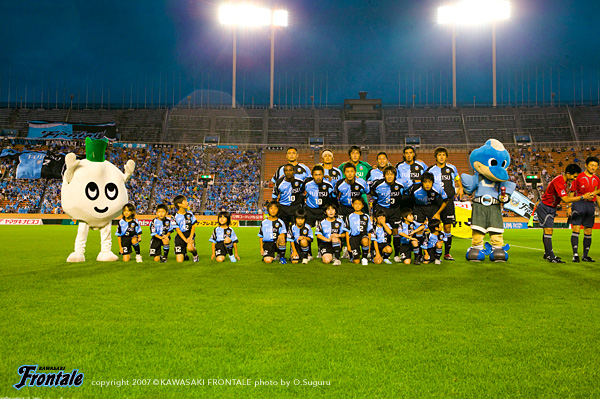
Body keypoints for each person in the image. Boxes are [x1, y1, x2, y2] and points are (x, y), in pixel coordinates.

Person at [536, 164, 591, 263]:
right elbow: (565, 199)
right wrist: (582, 197)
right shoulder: (559, 181)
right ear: (568, 174)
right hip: (545, 207)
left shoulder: (565, 181)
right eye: (574, 176)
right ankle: (551, 256)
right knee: (548, 230)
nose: (575, 179)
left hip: (550, 207)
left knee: (547, 231)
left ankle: (547, 254)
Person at [426, 147, 464, 261]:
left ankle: (447, 253)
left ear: (446, 156)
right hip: (435, 201)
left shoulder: (452, 168)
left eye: (443, 155)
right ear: (436, 157)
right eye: (439, 155)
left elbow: (457, 178)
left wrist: (460, 188)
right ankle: (431, 253)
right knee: (433, 227)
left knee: (447, 227)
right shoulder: (431, 170)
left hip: (448, 201)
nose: (441, 157)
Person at [568, 156, 600, 262]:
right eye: (591, 165)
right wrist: (569, 207)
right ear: (586, 165)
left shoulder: (597, 179)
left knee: (588, 230)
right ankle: (575, 254)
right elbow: (571, 192)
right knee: (576, 228)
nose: (593, 167)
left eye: (595, 166)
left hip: (591, 205)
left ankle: (585, 255)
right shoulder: (578, 177)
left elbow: (598, 195)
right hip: (578, 203)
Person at [272, 163, 305, 228]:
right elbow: (274, 197)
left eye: (290, 170)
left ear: (294, 171)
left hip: (295, 208)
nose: (288, 172)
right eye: (286, 170)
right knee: (283, 229)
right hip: (283, 209)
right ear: (284, 172)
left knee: (295, 229)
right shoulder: (279, 183)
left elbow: (302, 192)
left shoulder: (300, 182)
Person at [346, 197, 373, 265]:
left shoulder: (366, 216)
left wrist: (369, 245)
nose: (357, 206)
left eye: (359, 204)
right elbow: (347, 231)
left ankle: (364, 258)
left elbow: (369, 231)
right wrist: (348, 245)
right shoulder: (349, 216)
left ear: (362, 205)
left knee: (365, 240)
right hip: (353, 238)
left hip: (363, 236)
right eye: (355, 204)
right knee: (356, 261)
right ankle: (353, 257)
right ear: (352, 205)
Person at [173, 195, 199, 263]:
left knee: (190, 248)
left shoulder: (190, 214)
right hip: (180, 236)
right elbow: (177, 230)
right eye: (185, 201)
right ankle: (184, 254)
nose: (187, 203)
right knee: (179, 261)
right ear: (179, 204)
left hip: (189, 234)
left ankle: (195, 254)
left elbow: (193, 226)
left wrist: (190, 237)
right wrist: (185, 240)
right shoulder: (174, 216)